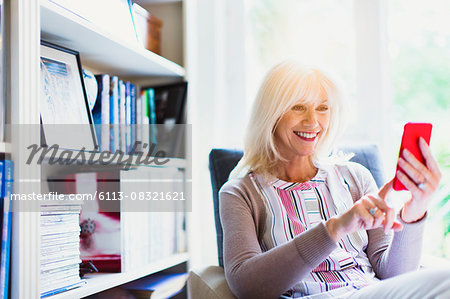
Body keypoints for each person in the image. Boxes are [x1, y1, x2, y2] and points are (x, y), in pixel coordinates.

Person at [219, 61, 450, 299]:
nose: (313, 121)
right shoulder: (240, 192)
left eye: (322, 108)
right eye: (298, 107)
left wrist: (415, 211)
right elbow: (246, 286)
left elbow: (394, 276)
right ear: (271, 114)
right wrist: (337, 228)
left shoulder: (355, 176)